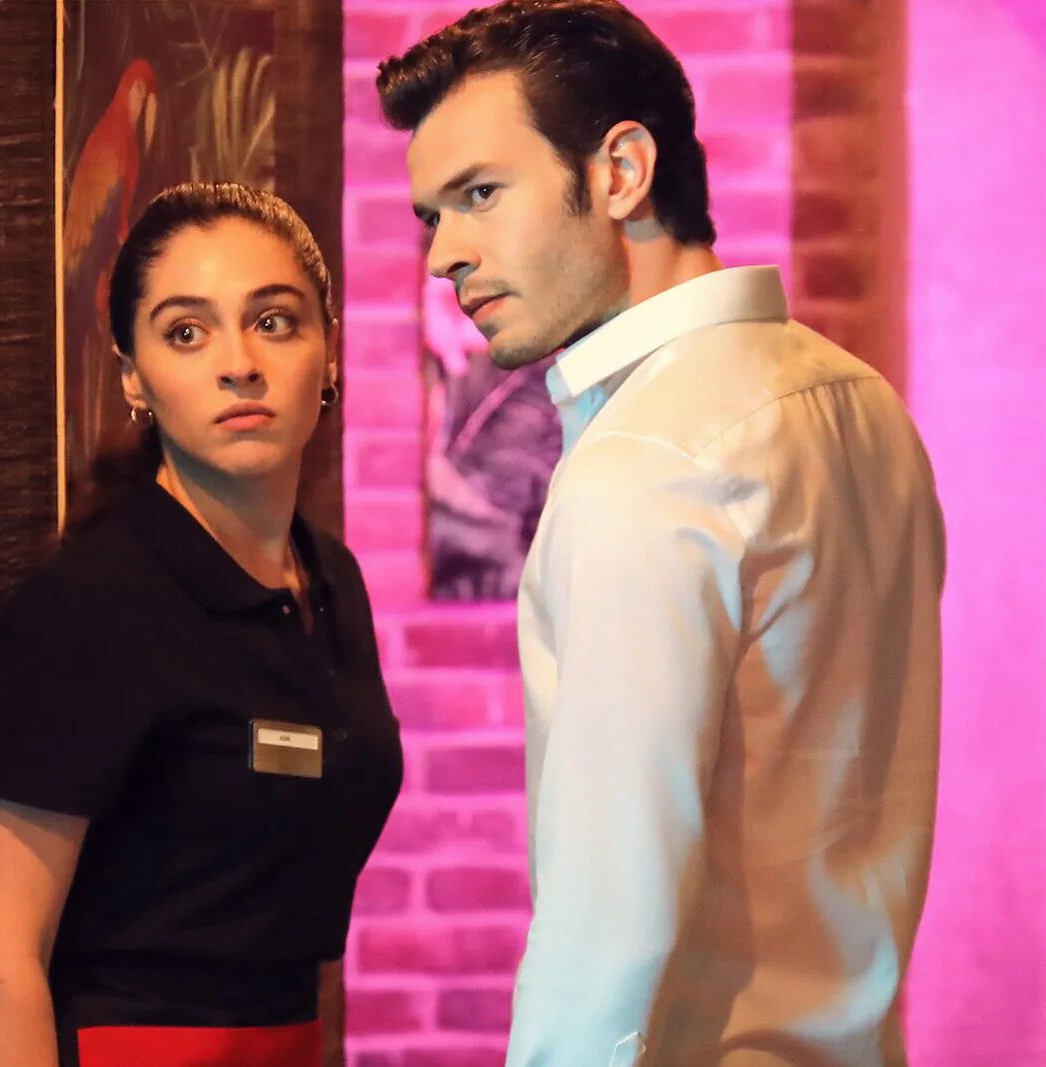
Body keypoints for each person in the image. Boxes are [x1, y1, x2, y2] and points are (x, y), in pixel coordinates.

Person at [379, 4, 946, 1064]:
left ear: (621, 172)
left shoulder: (645, 464)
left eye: (481, 194)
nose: (445, 255)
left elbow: (606, 930)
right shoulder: (865, 406)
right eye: (433, 215)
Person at [0, 182, 403, 1067]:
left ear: (330, 352)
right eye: (187, 332)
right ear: (134, 375)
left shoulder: (332, 579)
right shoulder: (92, 606)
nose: (239, 363)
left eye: (273, 322)